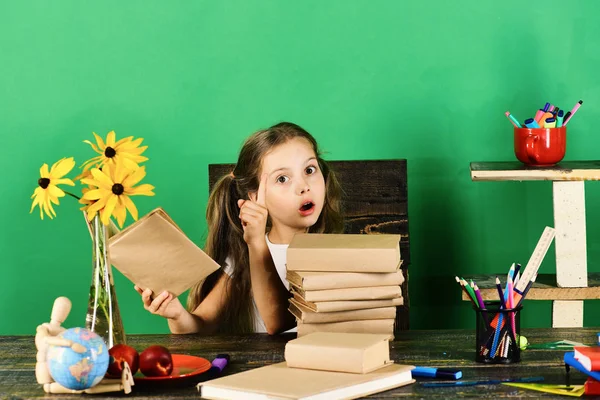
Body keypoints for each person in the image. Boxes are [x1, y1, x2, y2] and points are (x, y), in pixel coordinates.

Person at [135, 122, 344, 334]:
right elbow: (200, 326)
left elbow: (281, 322)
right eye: (282, 178)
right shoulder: (243, 258)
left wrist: (256, 242)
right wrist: (176, 313)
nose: (304, 187)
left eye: (309, 170)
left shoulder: (339, 256)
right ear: (254, 196)